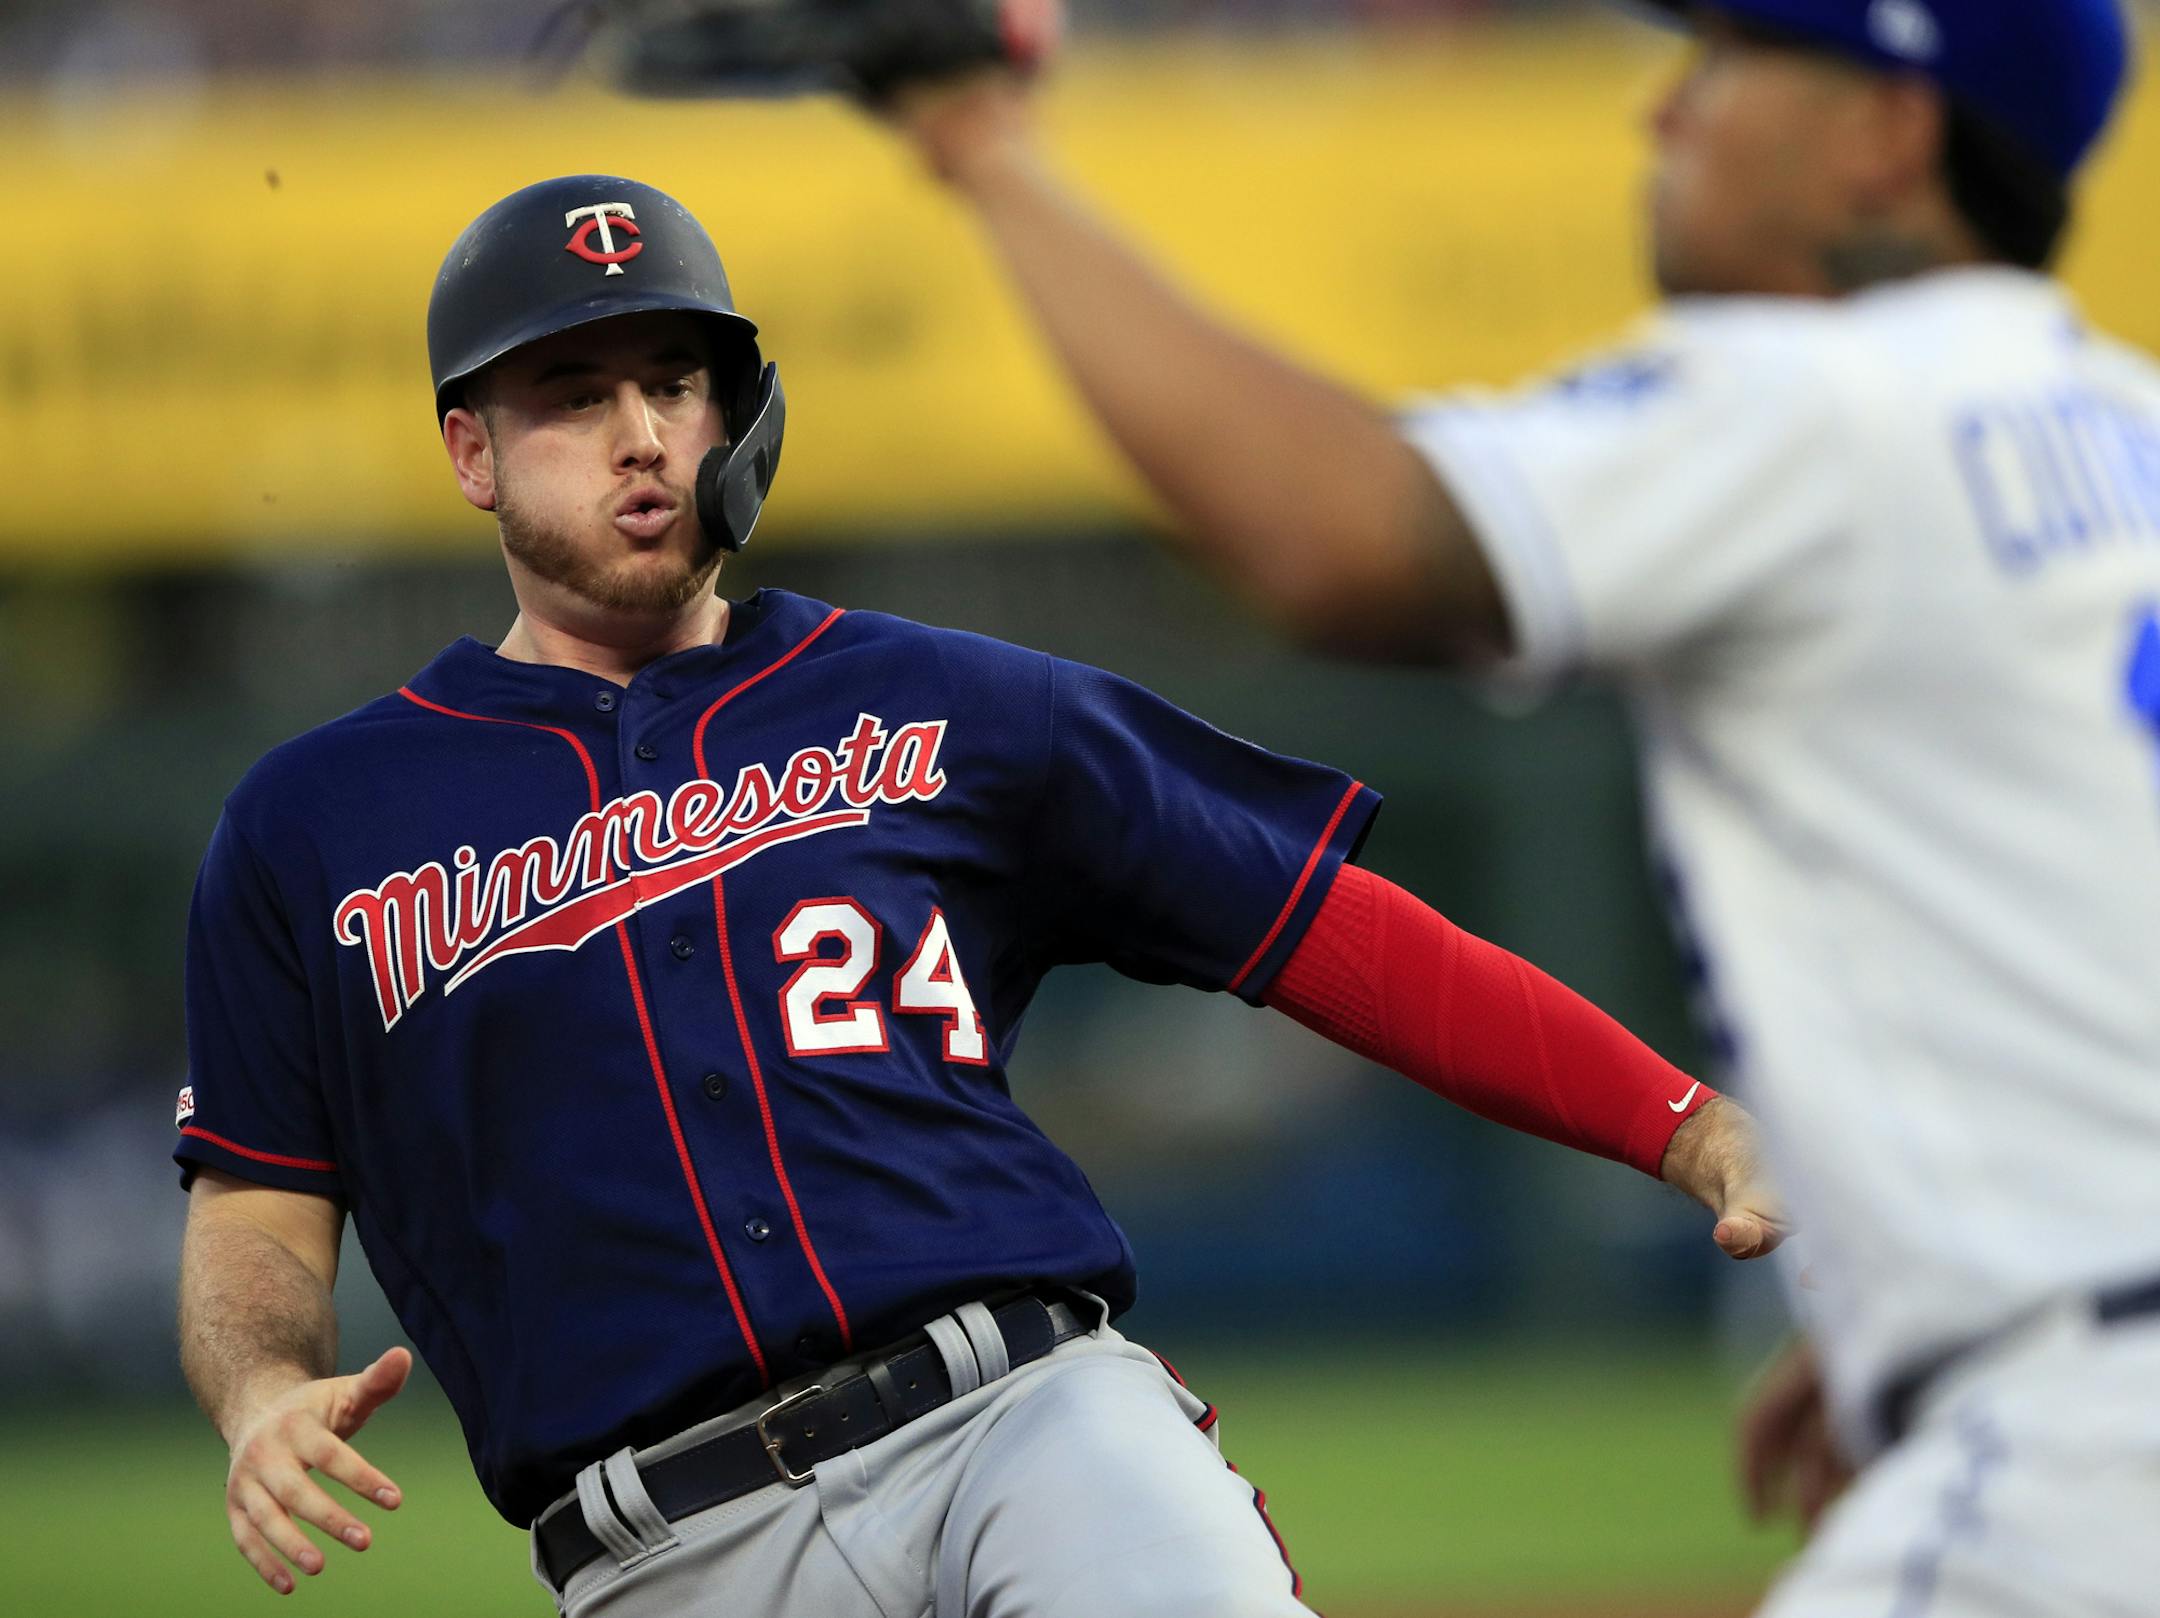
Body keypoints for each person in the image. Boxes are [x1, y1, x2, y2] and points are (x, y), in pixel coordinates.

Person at [173, 174, 1781, 1616]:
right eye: (573, 396)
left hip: (1026, 1421)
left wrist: (1684, 1119)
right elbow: (256, 1200)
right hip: (668, 1548)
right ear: (470, 451)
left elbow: (1324, 927)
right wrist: (261, 1392)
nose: (643, 432)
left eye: (676, 382)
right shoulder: (317, 827)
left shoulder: (950, 704)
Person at [886, 0, 2160, 1611]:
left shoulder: (1829, 396)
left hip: (2086, 1443)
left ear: (1887, 135)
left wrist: (983, 149)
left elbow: (1346, 538)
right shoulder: (2130, 430)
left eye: (1725, 65)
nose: (1665, 115)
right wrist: (1936, 1300)